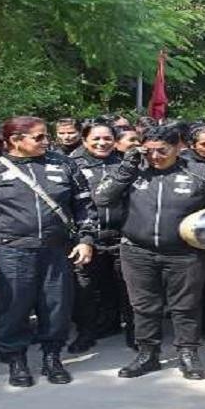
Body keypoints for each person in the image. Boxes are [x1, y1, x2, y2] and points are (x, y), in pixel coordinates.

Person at [93, 125, 205, 380]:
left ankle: (188, 354)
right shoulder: (133, 171)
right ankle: (147, 354)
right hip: (137, 250)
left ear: (179, 147)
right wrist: (126, 169)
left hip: (184, 253)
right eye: (148, 151)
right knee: (144, 306)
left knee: (186, 306)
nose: (154, 157)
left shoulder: (200, 172)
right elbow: (102, 199)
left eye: (162, 151)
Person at [0, 116, 98, 388]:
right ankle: (16, 360)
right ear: (15, 140)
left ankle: (52, 358)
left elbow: (85, 206)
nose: (46, 142)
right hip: (10, 251)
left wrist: (86, 239)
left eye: (46, 136)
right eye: (38, 137)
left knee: (56, 306)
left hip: (56, 251)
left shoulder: (64, 164)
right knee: (13, 308)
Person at [67, 118, 130, 353]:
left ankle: (131, 332)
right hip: (86, 238)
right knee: (85, 289)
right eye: (96, 139)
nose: (102, 143)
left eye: (108, 139)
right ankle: (86, 332)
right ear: (85, 140)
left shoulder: (126, 163)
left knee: (124, 286)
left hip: (121, 236)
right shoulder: (71, 165)